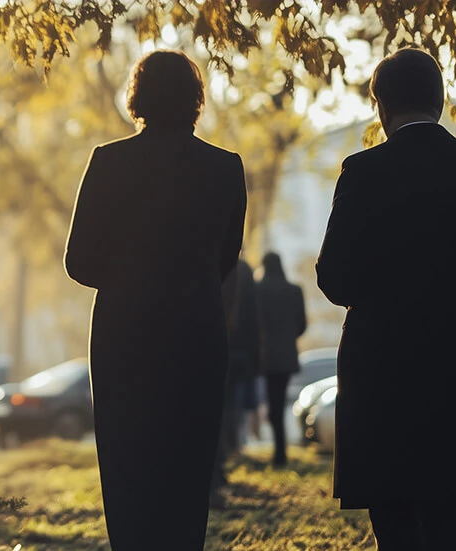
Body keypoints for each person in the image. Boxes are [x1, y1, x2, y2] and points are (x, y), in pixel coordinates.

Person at [316, 48, 456, 550]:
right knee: (452, 513)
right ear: (441, 101)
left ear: (381, 108)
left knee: (394, 517)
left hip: (383, 367)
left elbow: (333, 277)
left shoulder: (362, 172)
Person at [65, 50, 246, 549]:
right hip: (197, 332)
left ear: (138, 97)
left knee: (127, 467)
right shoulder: (226, 168)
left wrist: (130, 279)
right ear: (195, 100)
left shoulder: (108, 162)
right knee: (189, 468)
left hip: (125, 334)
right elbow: (226, 257)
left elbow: (78, 260)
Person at [212, 257, 260, 506]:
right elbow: (253, 317)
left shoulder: (209, 262)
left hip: (213, 345)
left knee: (212, 409)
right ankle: (222, 462)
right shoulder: (244, 271)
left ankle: (216, 468)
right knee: (228, 408)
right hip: (239, 353)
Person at [256, 252, 307, 467]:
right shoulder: (294, 291)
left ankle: (279, 453)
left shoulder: (258, 290)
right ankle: (280, 451)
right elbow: (302, 325)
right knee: (279, 399)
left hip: (265, 354)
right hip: (286, 354)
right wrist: (287, 338)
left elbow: (253, 322)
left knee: (273, 402)